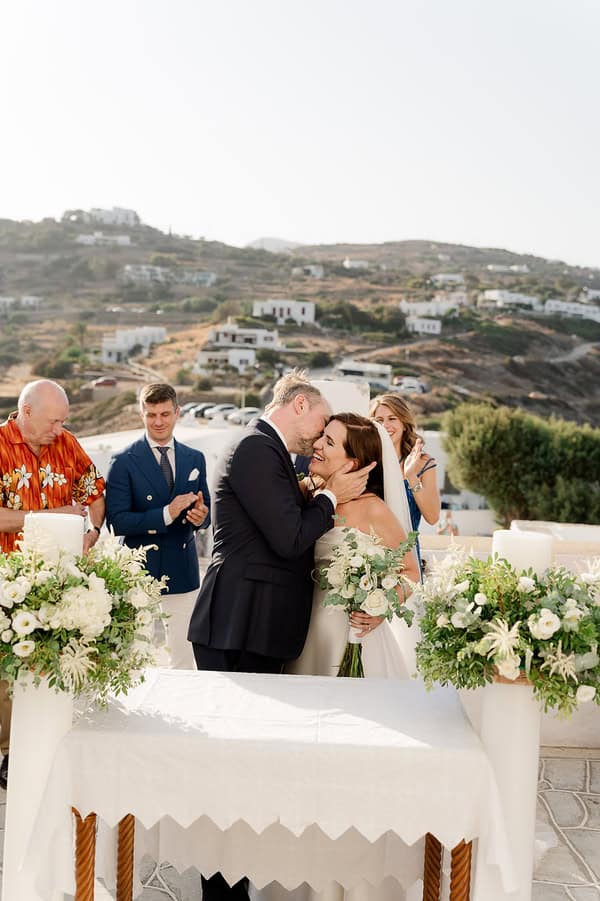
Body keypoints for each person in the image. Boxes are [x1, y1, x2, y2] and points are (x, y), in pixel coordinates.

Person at [188, 371, 374, 901]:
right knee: (230, 774)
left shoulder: (270, 455)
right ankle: (221, 892)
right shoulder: (254, 447)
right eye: (318, 427)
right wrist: (332, 497)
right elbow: (292, 537)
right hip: (238, 627)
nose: (318, 440)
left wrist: (317, 491)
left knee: (248, 772)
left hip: (259, 628)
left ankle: (233, 885)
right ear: (298, 406)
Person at [0, 379, 106, 789]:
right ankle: (11, 753)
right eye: (52, 421)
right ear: (25, 412)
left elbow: (94, 492)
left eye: (63, 420)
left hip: (62, 581)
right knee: (9, 673)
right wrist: (54, 516)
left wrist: (92, 530)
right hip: (9, 578)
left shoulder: (68, 444)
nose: (59, 429)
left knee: (54, 665)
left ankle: (54, 746)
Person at [287, 413, 420, 679]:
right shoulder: (307, 494)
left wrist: (380, 607)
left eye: (329, 442)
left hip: (351, 635)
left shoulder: (373, 509)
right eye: (322, 437)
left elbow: (411, 573)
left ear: (353, 462)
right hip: (302, 630)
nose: (317, 445)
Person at [106, 383, 210, 670]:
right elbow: (117, 521)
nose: (159, 421)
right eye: (151, 415)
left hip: (183, 568)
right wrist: (166, 513)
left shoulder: (195, 458)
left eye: (165, 414)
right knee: (133, 656)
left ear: (177, 412)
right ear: (142, 413)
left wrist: (202, 518)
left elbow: (207, 511)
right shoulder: (123, 461)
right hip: (138, 571)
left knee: (183, 656)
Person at [370, 393, 440, 578]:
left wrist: (411, 477)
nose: (386, 425)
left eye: (392, 418)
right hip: (370, 554)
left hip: (407, 557)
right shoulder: (367, 462)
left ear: (403, 422)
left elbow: (433, 517)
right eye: (379, 420)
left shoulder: (424, 463)